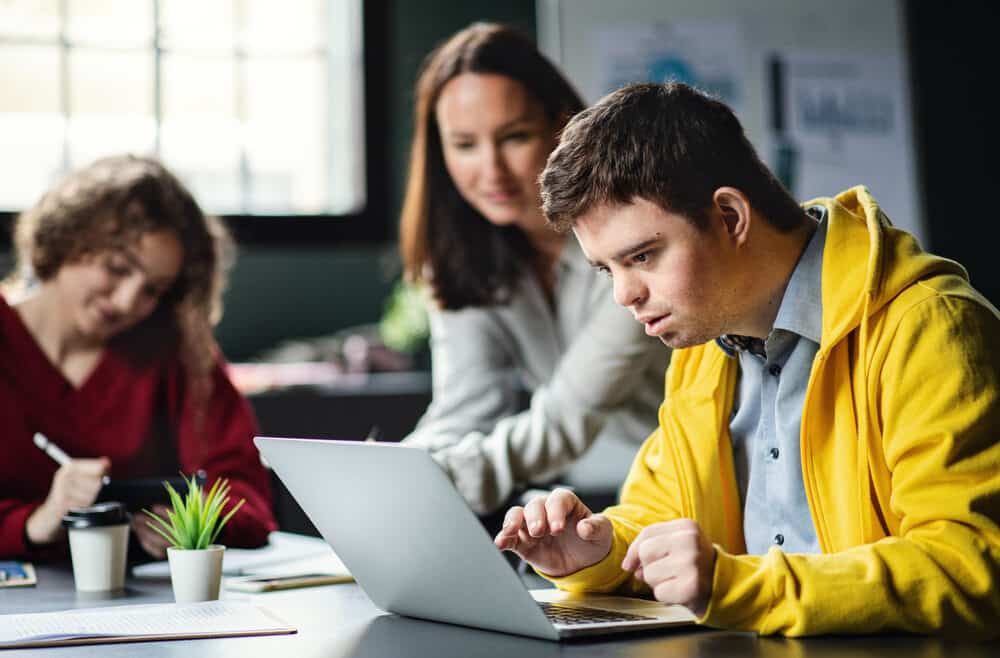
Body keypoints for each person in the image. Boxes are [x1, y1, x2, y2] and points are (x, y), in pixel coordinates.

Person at [494, 82, 1000, 638]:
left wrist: (737, 586)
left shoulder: (929, 326)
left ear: (731, 217)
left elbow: (973, 565)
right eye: (607, 269)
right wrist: (596, 551)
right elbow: (659, 512)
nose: (624, 295)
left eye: (642, 256)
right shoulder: (705, 347)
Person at [398, 23, 668, 515]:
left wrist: (429, 484)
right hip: (617, 499)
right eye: (464, 145)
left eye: (514, 137)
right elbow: (464, 411)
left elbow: (568, 416)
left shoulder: (633, 240)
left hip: (702, 483)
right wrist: (396, 473)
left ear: (564, 125)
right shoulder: (462, 258)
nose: (491, 170)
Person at [0, 154, 277, 561]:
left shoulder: (176, 352)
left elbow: (246, 495)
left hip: (141, 607)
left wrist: (187, 521)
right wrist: (34, 522)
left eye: (153, 290)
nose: (129, 301)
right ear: (66, 239)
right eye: (116, 268)